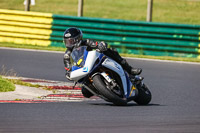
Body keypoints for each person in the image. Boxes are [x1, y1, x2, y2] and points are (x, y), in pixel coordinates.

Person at [63, 27, 142, 98]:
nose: (69, 44)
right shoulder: (67, 56)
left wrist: (101, 45)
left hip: (95, 62)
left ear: (78, 39)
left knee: (111, 51)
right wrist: (69, 74)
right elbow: (68, 69)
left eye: (71, 41)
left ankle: (129, 69)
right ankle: (102, 91)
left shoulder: (87, 42)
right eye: (67, 42)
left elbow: (97, 44)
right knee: (85, 93)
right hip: (84, 72)